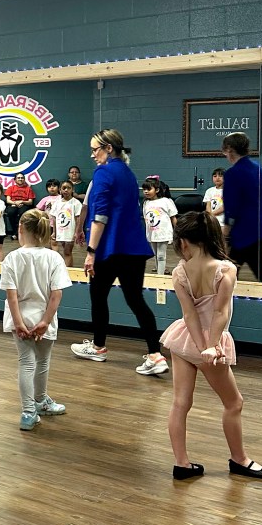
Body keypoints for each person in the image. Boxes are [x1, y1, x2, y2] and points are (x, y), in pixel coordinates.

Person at [160, 212, 262, 480]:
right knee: (234, 403)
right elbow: (220, 313)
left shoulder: (180, 272)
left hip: (184, 339)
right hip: (211, 342)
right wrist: (211, 346)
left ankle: (182, 464)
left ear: (184, 242)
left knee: (180, 403)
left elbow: (189, 314)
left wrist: (200, 346)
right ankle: (240, 460)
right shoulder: (225, 269)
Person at [71, 129, 168, 376]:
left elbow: (100, 215)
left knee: (98, 296)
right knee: (136, 300)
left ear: (109, 148)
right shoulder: (128, 173)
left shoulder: (103, 172)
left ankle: (99, 347)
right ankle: (155, 355)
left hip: (110, 248)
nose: (92, 154)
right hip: (133, 248)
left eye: (95, 149)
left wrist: (91, 251)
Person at [0, 209, 71, 430]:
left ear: (20, 228)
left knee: (26, 362)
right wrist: (45, 322)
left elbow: (12, 296)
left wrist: (19, 323)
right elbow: (56, 294)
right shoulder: (54, 257)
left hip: (20, 318)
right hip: (43, 318)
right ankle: (39, 401)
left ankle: (29, 411)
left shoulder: (12, 258)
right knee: (42, 362)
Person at [221, 132, 262, 282]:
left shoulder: (233, 173)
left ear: (229, 149)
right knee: (256, 270)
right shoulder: (257, 168)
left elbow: (232, 205)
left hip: (244, 229)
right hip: (260, 225)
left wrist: (226, 229)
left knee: (230, 271)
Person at [142, 176, 178, 275]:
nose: (146, 191)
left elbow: (173, 217)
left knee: (161, 255)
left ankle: (160, 275)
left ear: (157, 190)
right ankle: (159, 273)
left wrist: (177, 230)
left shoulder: (166, 201)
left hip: (163, 232)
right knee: (156, 254)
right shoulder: (146, 203)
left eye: (149, 189)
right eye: (144, 189)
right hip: (152, 233)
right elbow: (146, 218)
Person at [52, 180, 83, 267]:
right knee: (66, 252)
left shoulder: (76, 203)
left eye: (69, 188)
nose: (66, 190)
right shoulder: (57, 203)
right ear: (60, 190)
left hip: (70, 232)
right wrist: (54, 232)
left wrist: (77, 232)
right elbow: (54, 218)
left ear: (72, 190)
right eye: (64, 188)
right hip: (61, 232)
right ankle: (69, 269)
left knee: (67, 252)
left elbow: (78, 219)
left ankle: (67, 271)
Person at [4, 172, 35, 237]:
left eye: (22, 178)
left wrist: (22, 202)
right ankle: (16, 233)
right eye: (18, 178)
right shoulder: (10, 188)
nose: (20, 179)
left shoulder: (28, 189)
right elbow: (8, 200)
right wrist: (16, 203)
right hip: (13, 204)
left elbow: (30, 202)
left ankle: (18, 233)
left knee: (22, 213)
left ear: (24, 179)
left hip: (25, 205)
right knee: (11, 212)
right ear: (15, 180)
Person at [203, 168, 226, 233]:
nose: (217, 178)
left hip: (223, 222)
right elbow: (208, 205)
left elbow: (224, 207)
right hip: (211, 220)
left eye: (220, 176)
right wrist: (209, 216)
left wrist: (211, 215)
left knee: (221, 237)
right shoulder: (209, 191)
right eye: (215, 176)